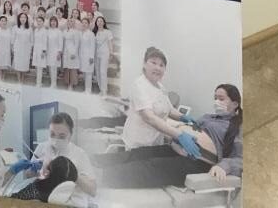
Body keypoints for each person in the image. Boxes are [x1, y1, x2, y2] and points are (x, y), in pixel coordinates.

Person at [101, 78, 242, 189]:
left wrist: (223, 166)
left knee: (149, 166)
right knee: (140, 153)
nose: (216, 102)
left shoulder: (237, 127)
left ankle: (100, 177)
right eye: (215, 98)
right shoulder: (208, 117)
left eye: (221, 99)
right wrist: (182, 129)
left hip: (198, 162)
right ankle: (94, 161)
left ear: (235, 104)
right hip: (178, 149)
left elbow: (240, 159)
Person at [122, 47, 196, 151]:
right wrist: (178, 134)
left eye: (161, 65)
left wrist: (183, 117)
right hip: (138, 143)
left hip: (155, 141)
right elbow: (149, 117)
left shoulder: (160, 87)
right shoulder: (139, 85)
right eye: (154, 63)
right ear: (144, 64)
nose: (158, 68)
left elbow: (170, 110)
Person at [23, 112, 97, 199]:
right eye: (52, 134)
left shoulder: (80, 154)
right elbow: (27, 175)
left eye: (62, 136)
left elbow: (93, 190)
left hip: (68, 200)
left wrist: (74, 175)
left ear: (70, 135)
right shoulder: (42, 147)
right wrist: (36, 169)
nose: (56, 139)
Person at [10, 156, 79, 202]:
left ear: (48, 173)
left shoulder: (34, 190)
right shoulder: (63, 198)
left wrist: (11, 171)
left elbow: (7, 202)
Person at [93, 15, 114, 96]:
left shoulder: (108, 32)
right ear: (96, 23)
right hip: (96, 54)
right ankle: (101, 89)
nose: (99, 22)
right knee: (98, 72)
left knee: (103, 72)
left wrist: (111, 52)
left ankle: (104, 91)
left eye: (101, 21)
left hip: (105, 53)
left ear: (104, 23)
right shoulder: (94, 32)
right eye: (98, 21)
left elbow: (110, 43)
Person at [12, 12, 33, 83]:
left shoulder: (29, 28)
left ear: (26, 19)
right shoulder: (15, 28)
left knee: (25, 64)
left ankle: (22, 79)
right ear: (19, 19)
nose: (23, 19)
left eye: (24, 17)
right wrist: (13, 49)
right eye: (21, 17)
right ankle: (19, 80)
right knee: (17, 64)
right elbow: (13, 39)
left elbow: (31, 40)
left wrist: (30, 50)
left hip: (26, 49)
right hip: (17, 48)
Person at [78, 18, 96, 94]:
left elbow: (93, 46)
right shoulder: (80, 33)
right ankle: (86, 89)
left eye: (85, 23)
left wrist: (91, 57)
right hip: (82, 56)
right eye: (83, 23)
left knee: (88, 73)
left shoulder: (91, 34)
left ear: (88, 24)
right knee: (84, 73)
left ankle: (88, 90)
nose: (84, 24)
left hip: (88, 56)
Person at [63, 19, 81, 90]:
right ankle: (67, 82)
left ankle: (71, 84)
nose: (69, 23)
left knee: (72, 68)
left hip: (72, 51)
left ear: (74, 23)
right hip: (66, 51)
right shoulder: (65, 31)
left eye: (71, 22)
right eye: (68, 21)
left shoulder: (76, 32)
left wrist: (74, 53)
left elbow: (77, 44)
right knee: (67, 67)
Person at [45, 16, 63, 88]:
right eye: (52, 21)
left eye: (54, 21)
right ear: (50, 22)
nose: (53, 23)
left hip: (56, 52)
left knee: (54, 68)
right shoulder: (48, 31)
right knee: (50, 67)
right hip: (49, 51)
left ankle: (54, 84)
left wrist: (59, 52)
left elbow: (60, 43)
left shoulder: (59, 32)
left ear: (56, 23)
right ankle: (52, 83)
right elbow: (46, 42)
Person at [0, 15, 13, 81]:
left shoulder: (9, 30)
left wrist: (11, 49)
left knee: (5, 65)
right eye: (2, 21)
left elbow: (11, 41)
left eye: (5, 21)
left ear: (6, 22)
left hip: (7, 50)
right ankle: (0, 78)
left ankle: (3, 77)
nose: (3, 22)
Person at [31, 15, 48, 86]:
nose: (38, 22)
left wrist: (43, 51)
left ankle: (39, 83)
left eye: (40, 21)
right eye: (37, 21)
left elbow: (45, 41)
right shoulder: (36, 30)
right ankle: (37, 82)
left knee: (40, 67)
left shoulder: (45, 31)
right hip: (36, 50)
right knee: (36, 67)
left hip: (41, 51)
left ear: (43, 22)